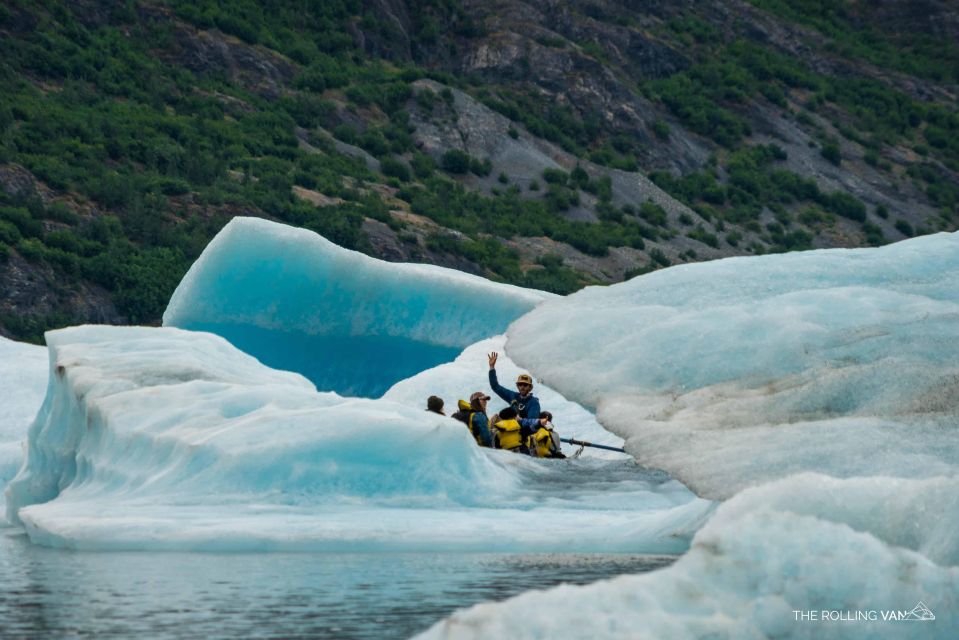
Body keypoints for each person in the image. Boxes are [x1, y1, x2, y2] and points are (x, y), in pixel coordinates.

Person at [487, 352, 540, 420]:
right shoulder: (513, 396)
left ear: (530, 387)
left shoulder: (534, 403)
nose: (522, 387)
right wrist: (492, 367)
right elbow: (495, 386)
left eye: (525, 385)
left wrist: (519, 420)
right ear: (517, 386)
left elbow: (532, 422)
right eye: (520, 384)